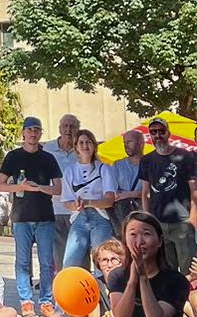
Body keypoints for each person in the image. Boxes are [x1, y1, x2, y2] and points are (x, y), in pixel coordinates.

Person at [0, 117, 61, 317]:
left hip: (45, 216)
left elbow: (58, 189)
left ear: (41, 133)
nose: (33, 134)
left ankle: (46, 301)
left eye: (37, 130)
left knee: (46, 262)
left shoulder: (48, 158)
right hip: (22, 216)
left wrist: (40, 187)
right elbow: (0, 185)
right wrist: (20, 188)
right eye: (30, 130)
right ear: (23, 133)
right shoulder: (13, 156)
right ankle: (26, 300)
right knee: (22, 261)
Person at [138, 116, 197, 274]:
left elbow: (194, 191)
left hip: (182, 222)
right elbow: (146, 193)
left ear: (168, 133)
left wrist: (192, 219)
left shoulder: (186, 157)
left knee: (189, 270)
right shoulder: (146, 160)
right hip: (159, 224)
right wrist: (147, 220)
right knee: (166, 269)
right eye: (153, 132)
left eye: (161, 131)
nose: (158, 135)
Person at [61, 239, 128, 317]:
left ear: (123, 263)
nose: (109, 265)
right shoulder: (94, 285)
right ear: (98, 264)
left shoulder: (130, 286)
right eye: (104, 260)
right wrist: (114, 314)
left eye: (115, 259)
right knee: (73, 312)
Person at [60, 128, 116, 270]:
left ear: (94, 146)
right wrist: (76, 205)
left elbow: (110, 199)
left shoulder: (104, 168)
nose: (85, 146)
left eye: (88, 142)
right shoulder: (70, 171)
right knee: (69, 263)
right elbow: (66, 201)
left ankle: (105, 291)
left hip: (100, 217)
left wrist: (89, 202)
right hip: (79, 218)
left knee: (102, 264)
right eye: (81, 143)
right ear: (76, 148)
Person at [43, 113, 79, 272]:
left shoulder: (82, 147)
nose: (68, 129)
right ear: (59, 128)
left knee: (79, 250)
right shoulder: (48, 149)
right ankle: (61, 287)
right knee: (58, 253)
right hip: (54, 208)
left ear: (78, 129)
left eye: (72, 126)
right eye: (65, 126)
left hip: (77, 209)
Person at [110, 128, 147, 237]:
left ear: (140, 143)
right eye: (124, 142)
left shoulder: (150, 163)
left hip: (143, 212)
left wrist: (129, 194)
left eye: (129, 142)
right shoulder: (117, 165)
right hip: (122, 216)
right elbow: (113, 191)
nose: (126, 145)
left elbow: (153, 191)